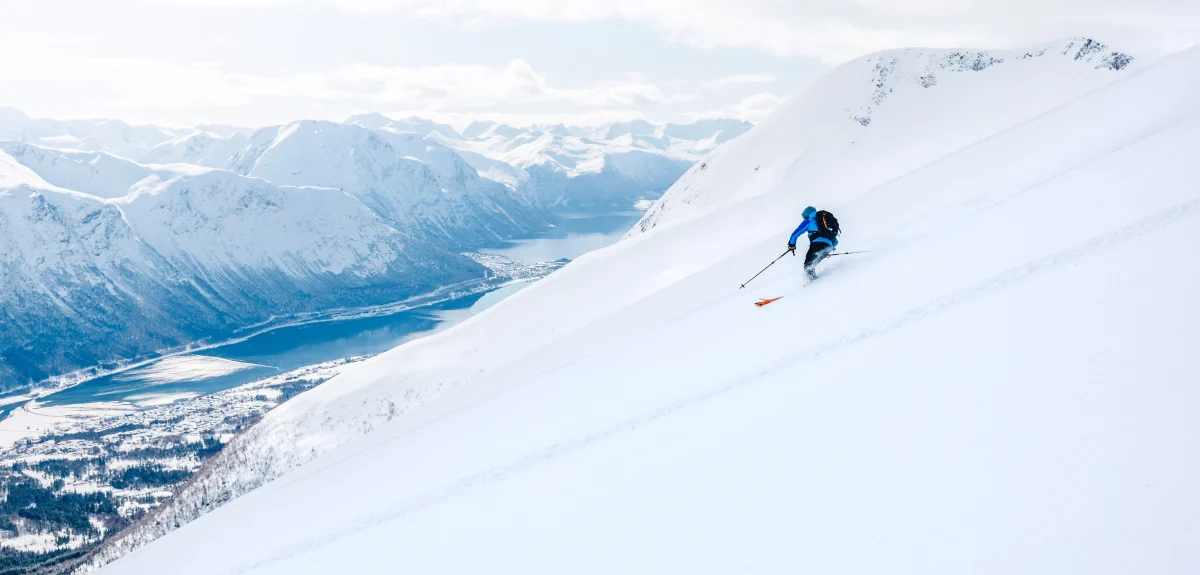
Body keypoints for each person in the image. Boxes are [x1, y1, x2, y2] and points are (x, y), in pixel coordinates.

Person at [787, 206, 839, 281]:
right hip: (829, 246)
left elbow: (795, 234)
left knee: (807, 266)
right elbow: (834, 240)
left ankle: (813, 284)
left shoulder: (809, 220)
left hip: (817, 244)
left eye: (804, 216)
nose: (804, 218)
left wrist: (791, 245)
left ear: (807, 214)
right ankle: (822, 254)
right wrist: (829, 247)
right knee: (812, 263)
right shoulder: (823, 220)